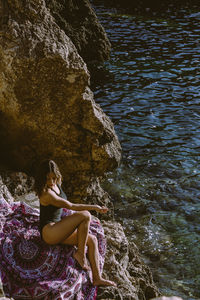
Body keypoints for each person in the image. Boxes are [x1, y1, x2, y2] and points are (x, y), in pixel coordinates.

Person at [34, 159, 116, 287]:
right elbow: (71, 205)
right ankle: (80, 254)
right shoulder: (47, 194)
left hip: (59, 228)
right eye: (47, 179)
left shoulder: (57, 184)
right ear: (42, 178)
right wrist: (95, 207)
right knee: (85, 215)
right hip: (49, 232)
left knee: (93, 239)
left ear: (57, 175)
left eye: (53, 178)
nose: (51, 182)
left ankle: (97, 278)